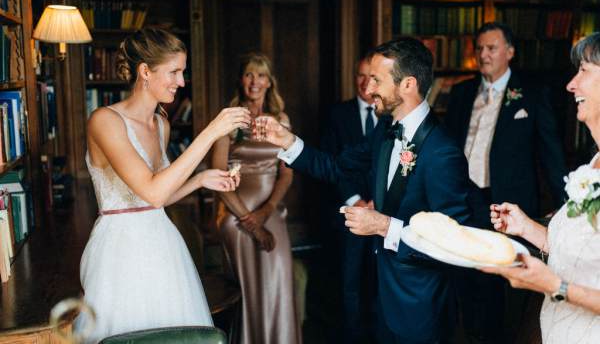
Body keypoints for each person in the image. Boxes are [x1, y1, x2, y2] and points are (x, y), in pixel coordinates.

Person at [255, 38, 471, 344]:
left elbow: (454, 242)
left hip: (419, 309)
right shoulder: (385, 130)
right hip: (380, 297)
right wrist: (286, 141)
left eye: (377, 80)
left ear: (407, 84)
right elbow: (337, 167)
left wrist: (385, 226)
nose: (368, 91)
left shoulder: (443, 153)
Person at [74, 28, 252, 343]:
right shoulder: (104, 121)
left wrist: (201, 179)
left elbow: (158, 198)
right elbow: (152, 190)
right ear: (145, 71)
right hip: (120, 251)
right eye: (174, 72)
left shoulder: (161, 124)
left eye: (182, 72)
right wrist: (210, 132)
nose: (181, 82)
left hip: (163, 245)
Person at [444, 22, 567, 343]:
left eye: (492, 48)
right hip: (463, 199)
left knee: (504, 286)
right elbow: (446, 149)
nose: (483, 55)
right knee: (466, 277)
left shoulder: (532, 93)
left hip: (509, 205)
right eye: (480, 48)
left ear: (510, 52)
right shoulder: (460, 93)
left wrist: (564, 206)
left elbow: (550, 151)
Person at [481, 32, 600, 344]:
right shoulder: (592, 165)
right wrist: (525, 227)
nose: (571, 84)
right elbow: (576, 250)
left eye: (584, 71)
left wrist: (554, 285)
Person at [211, 53, 302, 344]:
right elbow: (217, 176)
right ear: (241, 79)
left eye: (260, 75)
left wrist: (267, 211)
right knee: (247, 285)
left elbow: (286, 174)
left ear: (269, 82)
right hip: (234, 209)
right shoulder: (229, 119)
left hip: (270, 208)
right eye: (249, 74)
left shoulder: (281, 119)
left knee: (279, 272)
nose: (254, 81)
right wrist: (251, 222)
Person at [319, 57, 378, 343]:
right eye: (360, 76)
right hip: (348, 213)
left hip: (383, 214)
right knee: (349, 284)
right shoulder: (337, 114)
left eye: (372, 76)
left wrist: (377, 204)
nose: (366, 83)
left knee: (380, 283)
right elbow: (331, 164)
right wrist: (355, 202)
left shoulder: (392, 116)